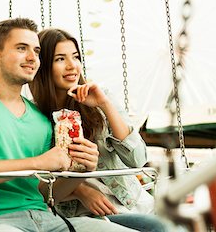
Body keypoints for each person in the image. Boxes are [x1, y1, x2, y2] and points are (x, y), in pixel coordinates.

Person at [0, 18, 138, 232]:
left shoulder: (41, 119)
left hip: (46, 220)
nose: (32, 58)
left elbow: (46, 194)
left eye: (37, 51)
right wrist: (38, 162)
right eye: (22, 48)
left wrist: (83, 170)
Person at [29, 28, 165, 232]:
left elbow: (137, 159)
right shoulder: (33, 116)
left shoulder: (101, 99)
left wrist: (104, 104)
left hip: (130, 204)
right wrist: (80, 190)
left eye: (75, 57)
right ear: (44, 66)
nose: (71, 66)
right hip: (82, 216)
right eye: (60, 59)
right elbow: (35, 186)